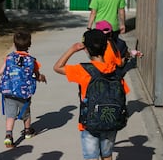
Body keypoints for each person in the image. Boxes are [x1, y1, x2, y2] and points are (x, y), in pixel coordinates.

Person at [53, 29, 129, 160]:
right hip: (111, 121)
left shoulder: (83, 70)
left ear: (86, 49)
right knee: (107, 155)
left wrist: (72, 49)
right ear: (106, 47)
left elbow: (57, 67)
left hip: (89, 123)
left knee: (91, 157)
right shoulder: (115, 71)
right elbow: (124, 92)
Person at [0, 32, 47, 148]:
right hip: (24, 94)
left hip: (9, 92)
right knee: (26, 114)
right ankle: (27, 131)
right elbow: (37, 75)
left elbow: (0, 72)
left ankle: (8, 135)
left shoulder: (9, 57)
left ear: (14, 44)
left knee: (10, 115)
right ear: (29, 45)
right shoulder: (32, 60)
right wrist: (42, 78)